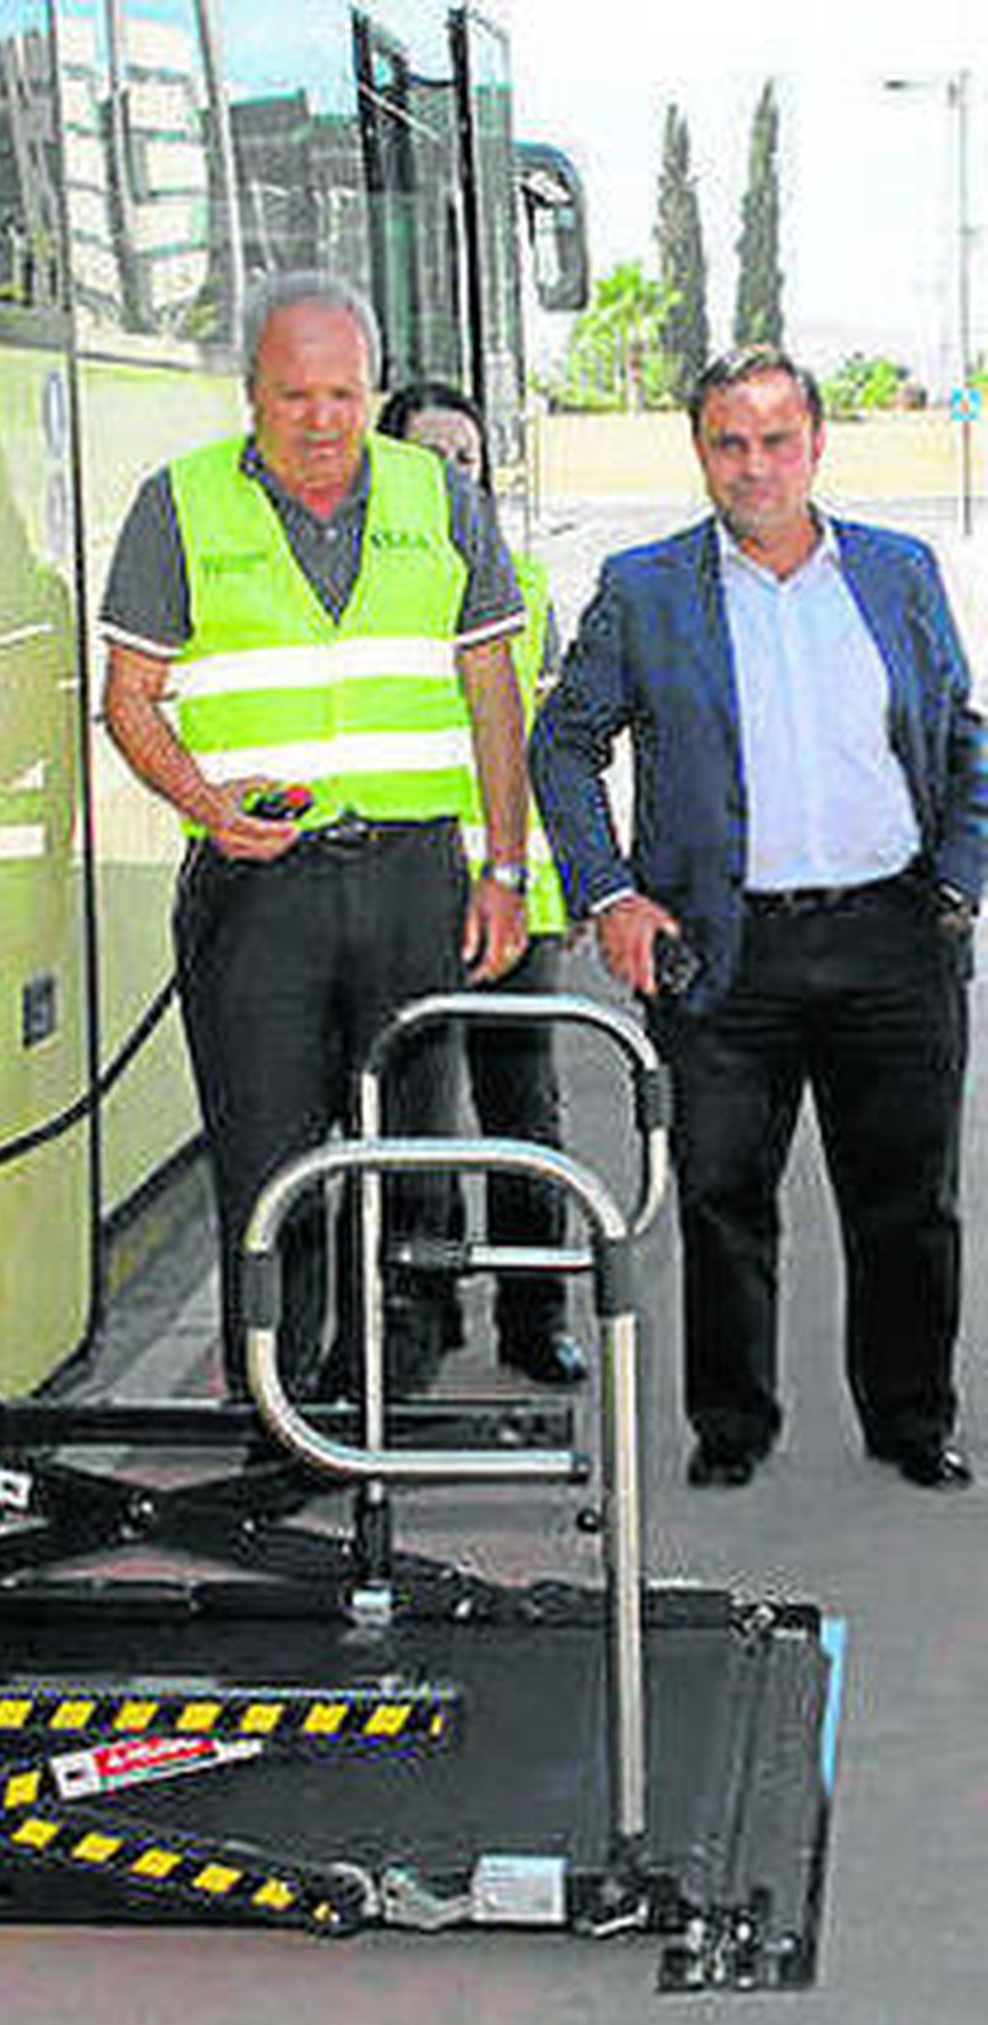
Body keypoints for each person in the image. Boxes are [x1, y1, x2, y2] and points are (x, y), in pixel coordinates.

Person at [531, 342, 988, 1490]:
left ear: (816, 445)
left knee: (907, 1205)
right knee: (722, 1202)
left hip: (892, 938)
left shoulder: (895, 571)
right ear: (698, 451)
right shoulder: (645, 589)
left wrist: (956, 883)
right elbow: (564, 745)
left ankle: (911, 1422)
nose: (754, 466)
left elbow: (959, 736)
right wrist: (609, 893)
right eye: (728, 443)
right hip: (723, 953)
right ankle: (731, 1429)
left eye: (777, 440)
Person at [100, 272, 530, 1405]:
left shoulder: (441, 497)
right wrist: (204, 803)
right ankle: (277, 1408)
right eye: (295, 396)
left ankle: (389, 1391)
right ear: (250, 391)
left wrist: (503, 867)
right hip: (257, 891)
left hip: (412, 882)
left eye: (344, 393)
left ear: (373, 387)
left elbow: (493, 688)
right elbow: (128, 699)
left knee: (409, 1155)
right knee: (268, 1167)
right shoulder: (178, 502)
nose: (323, 419)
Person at [377, 380, 586, 1386]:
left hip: (517, 899)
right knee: (414, 1123)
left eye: (467, 459)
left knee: (524, 1118)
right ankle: (423, 1319)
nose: (455, 475)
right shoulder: (363, 595)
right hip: (406, 893)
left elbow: (558, 751)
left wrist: (579, 876)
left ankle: (533, 1319)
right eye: (432, 458)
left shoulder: (528, 586)